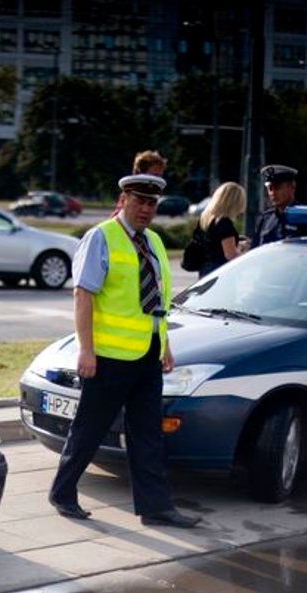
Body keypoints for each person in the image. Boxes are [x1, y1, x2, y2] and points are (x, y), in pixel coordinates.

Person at [49, 173, 201, 529]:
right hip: (109, 357)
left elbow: (159, 302)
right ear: (124, 200)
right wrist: (86, 350)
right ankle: (63, 491)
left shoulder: (155, 243)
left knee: (148, 433)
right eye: (140, 201)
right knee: (90, 428)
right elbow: (82, 295)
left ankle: (156, 507)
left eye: (152, 203)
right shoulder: (101, 237)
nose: (147, 209)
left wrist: (164, 345)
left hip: (147, 355)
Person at [197, 181, 248, 277]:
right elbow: (230, 255)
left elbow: (215, 243)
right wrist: (248, 257)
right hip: (221, 273)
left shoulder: (207, 219)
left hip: (205, 271)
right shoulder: (225, 223)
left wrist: (238, 242)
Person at [252, 164, 298, 248]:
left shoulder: (304, 217)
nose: (273, 193)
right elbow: (255, 251)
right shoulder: (265, 219)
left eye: (277, 187)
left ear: (292, 187)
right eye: (270, 188)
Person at [111, 150, 168, 217]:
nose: (158, 180)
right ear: (139, 173)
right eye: (155, 175)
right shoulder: (128, 198)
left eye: (160, 176)